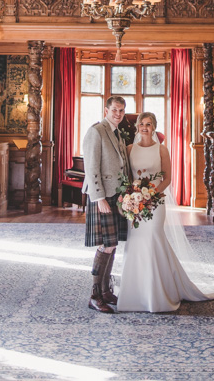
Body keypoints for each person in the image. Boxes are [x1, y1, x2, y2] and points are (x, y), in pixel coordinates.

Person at [117, 111, 214, 313]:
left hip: (156, 203)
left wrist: (150, 195)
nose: (145, 127)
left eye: (149, 124)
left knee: (153, 239)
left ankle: (159, 292)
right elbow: (126, 176)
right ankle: (135, 292)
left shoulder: (162, 150)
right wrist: (131, 198)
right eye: (142, 124)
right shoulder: (129, 148)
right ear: (137, 127)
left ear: (154, 127)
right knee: (136, 242)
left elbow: (167, 179)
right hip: (135, 205)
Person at [82, 95, 130, 313]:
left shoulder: (117, 133)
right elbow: (91, 168)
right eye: (114, 110)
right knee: (106, 244)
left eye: (121, 111)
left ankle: (105, 290)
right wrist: (99, 197)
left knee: (113, 244)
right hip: (102, 196)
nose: (118, 114)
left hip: (116, 195)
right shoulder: (96, 131)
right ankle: (94, 295)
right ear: (106, 110)